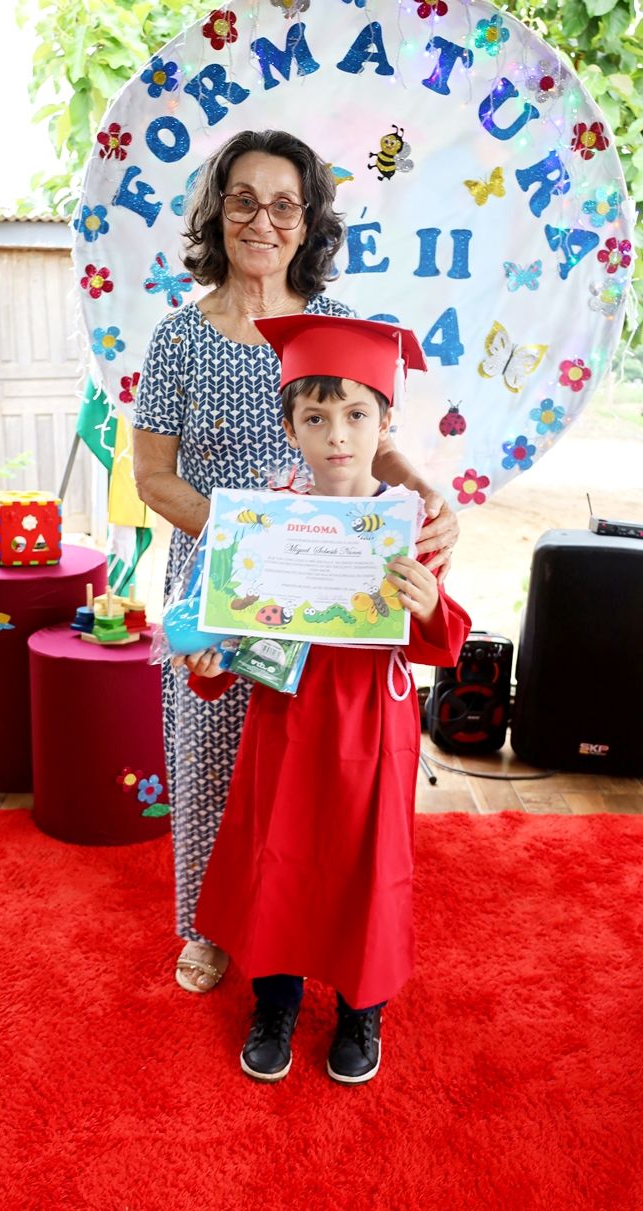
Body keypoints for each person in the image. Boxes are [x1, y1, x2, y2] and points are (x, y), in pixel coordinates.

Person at [133, 129, 460, 995]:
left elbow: (374, 443)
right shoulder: (177, 339)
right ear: (217, 211)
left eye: (284, 204)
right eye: (243, 200)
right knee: (213, 749)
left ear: (308, 220)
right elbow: (152, 477)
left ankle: (306, 928)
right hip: (221, 576)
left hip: (329, 584)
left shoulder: (336, 326)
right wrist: (249, 539)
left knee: (307, 765)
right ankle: (208, 924)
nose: (262, 221)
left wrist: (430, 495)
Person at [182, 313, 471, 1084]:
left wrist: (427, 605)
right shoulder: (262, 524)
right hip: (286, 717)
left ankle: (360, 1006)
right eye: (315, 417)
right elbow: (226, 638)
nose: (337, 435)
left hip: (374, 720)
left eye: (355, 414)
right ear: (290, 428)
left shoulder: (412, 525)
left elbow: (441, 640)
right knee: (276, 855)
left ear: (383, 422)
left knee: (365, 865)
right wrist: (208, 661)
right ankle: (274, 999)